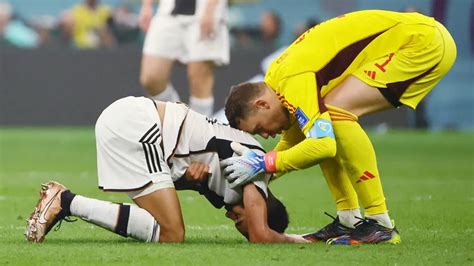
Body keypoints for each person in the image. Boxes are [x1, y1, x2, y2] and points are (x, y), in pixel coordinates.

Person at [222, 10, 456, 245]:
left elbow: (323, 146)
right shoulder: (278, 81)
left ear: (261, 104)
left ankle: (380, 223)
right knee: (324, 119)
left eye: (260, 127)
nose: (266, 135)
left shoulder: (294, 80)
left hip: (422, 43)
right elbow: (295, 140)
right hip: (417, 37)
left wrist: (265, 164)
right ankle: (348, 219)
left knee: (335, 113)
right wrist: (261, 171)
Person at [25, 96, 306, 244]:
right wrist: (304, 239)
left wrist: (187, 179)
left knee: (164, 228)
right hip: (139, 125)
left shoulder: (225, 195)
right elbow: (261, 235)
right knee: (172, 234)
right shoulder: (256, 166)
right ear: (263, 208)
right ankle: (64, 201)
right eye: (242, 219)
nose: (233, 216)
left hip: (135, 121)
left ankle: (65, 202)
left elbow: (174, 176)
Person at [139, 0, 229, 117]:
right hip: (167, 10)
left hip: (204, 9)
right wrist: (147, 6)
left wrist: (210, 10)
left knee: (199, 80)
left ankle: (200, 132)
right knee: (151, 78)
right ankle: (178, 117)